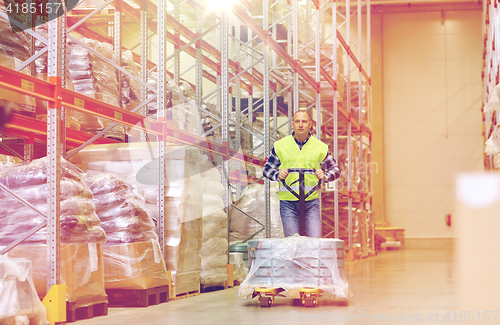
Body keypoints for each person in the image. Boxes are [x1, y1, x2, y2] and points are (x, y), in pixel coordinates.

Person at [263, 110, 340, 238]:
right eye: (297, 121)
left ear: (310, 125)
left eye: (304, 121)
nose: (300, 125)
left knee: (314, 241)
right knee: (293, 243)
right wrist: (277, 175)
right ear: (292, 124)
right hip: (288, 202)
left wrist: (325, 176)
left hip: (311, 202)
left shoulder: (320, 147)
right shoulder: (280, 145)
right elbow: (267, 169)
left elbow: (335, 169)